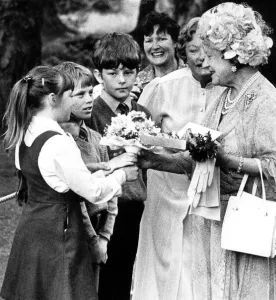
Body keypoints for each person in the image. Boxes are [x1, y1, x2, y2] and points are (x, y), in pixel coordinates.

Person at [138, 3, 276, 299]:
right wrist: (153, 160)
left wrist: (228, 161)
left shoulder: (266, 101)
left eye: (210, 56)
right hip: (218, 225)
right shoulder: (222, 95)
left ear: (233, 56)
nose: (204, 63)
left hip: (251, 229)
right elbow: (198, 159)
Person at [0, 66, 139, 300]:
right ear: (54, 98)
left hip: (32, 230)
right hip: (59, 234)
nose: (74, 102)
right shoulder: (59, 143)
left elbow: (56, 180)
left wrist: (108, 167)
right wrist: (122, 175)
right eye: (69, 95)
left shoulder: (25, 133)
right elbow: (93, 192)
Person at [132, 18, 224, 300]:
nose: (201, 58)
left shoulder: (226, 87)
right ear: (184, 49)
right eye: (194, 49)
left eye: (208, 50)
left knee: (198, 273)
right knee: (163, 267)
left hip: (209, 194)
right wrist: (177, 144)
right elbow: (137, 134)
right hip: (166, 193)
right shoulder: (162, 87)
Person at [54, 62, 136, 278]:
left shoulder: (97, 138)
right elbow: (76, 198)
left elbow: (112, 194)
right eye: (80, 94)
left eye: (91, 92)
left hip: (98, 229)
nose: (89, 99)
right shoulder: (61, 142)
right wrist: (93, 241)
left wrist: (104, 237)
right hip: (73, 231)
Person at [89, 32, 151, 300]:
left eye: (129, 71)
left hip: (135, 205)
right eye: (113, 73)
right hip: (101, 210)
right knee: (100, 282)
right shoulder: (89, 112)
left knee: (123, 279)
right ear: (98, 74)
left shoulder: (142, 113)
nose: (123, 79)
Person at [136, 11, 185, 90]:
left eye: (161, 39)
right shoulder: (136, 83)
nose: (155, 46)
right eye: (149, 41)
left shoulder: (194, 76)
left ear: (175, 42)